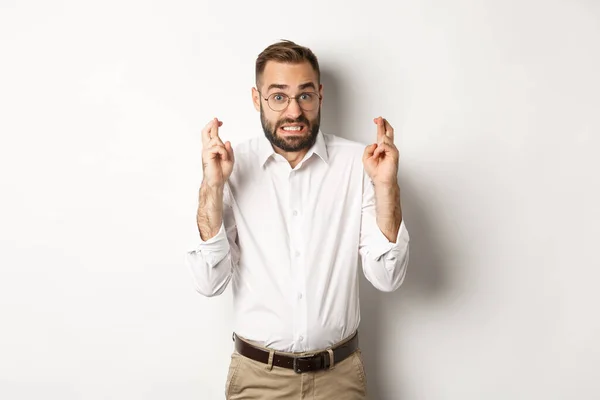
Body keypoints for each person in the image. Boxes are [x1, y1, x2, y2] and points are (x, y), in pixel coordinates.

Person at [186, 40, 410, 399]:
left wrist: (386, 187)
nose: (293, 111)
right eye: (278, 97)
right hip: (257, 379)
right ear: (257, 99)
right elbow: (209, 282)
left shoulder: (361, 163)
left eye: (304, 96)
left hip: (340, 378)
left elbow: (387, 278)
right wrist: (212, 187)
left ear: (319, 96)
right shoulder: (230, 167)